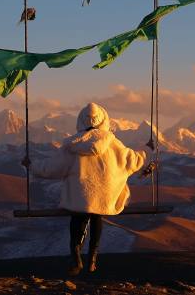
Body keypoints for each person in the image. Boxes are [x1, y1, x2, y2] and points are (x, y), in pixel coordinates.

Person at [30, 102, 148, 275]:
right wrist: (147, 151)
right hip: (104, 196)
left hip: (79, 195)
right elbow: (132, 160)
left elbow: (51, 168)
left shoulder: (71, 146)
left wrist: (32, 165)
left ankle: (76, 258)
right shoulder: (113, 143)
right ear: (103, 120)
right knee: (96, 215)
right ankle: (92, 258)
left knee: (78, 218)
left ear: (81, 120)